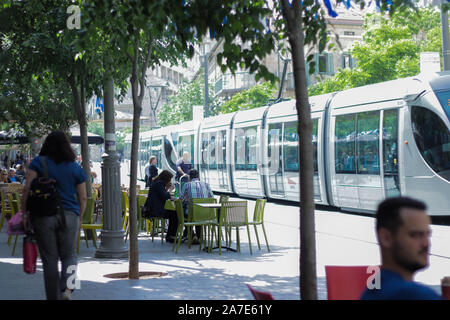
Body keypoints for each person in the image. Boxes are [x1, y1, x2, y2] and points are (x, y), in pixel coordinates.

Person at [20, 131, 87, 300]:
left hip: (43, 216)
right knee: (70, 255)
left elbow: (27, 189)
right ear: (67, 146)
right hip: (70, 215)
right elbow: (83, 196)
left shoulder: (38, 163)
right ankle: (69, 290)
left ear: (46, 145)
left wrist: (23, 213)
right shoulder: (75, 166)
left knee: (50, 259)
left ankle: (53, 297)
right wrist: (80, 217)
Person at [360, 196, 443, 300]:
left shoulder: (375, 288)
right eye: (415, 235)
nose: (426, 244)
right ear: (386, 238)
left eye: (428, 235)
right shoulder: (414, 294)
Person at [181, 169, 214, 244]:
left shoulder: (187, 185)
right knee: (199, 213)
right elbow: (212, 198)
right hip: (206, 214)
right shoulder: (206, 184)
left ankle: (190, 235)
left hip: (191, 214)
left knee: (185, 213)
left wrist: (186, 198)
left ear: (190, 178)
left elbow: (180, 199)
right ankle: (198, 236)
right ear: (199, 177)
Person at [145, 170, 177, 243]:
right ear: (166, 179)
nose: (170, 181)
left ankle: (170, 235)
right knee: (175, 214)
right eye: (170, 179)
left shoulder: (157, 183)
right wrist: (170, 189)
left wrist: (167, 189)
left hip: (153, 208)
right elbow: (165, 196)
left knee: (173, 214)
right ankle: (171, 235)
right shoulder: (159, 184)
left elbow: (161, 194)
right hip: (155, 210)